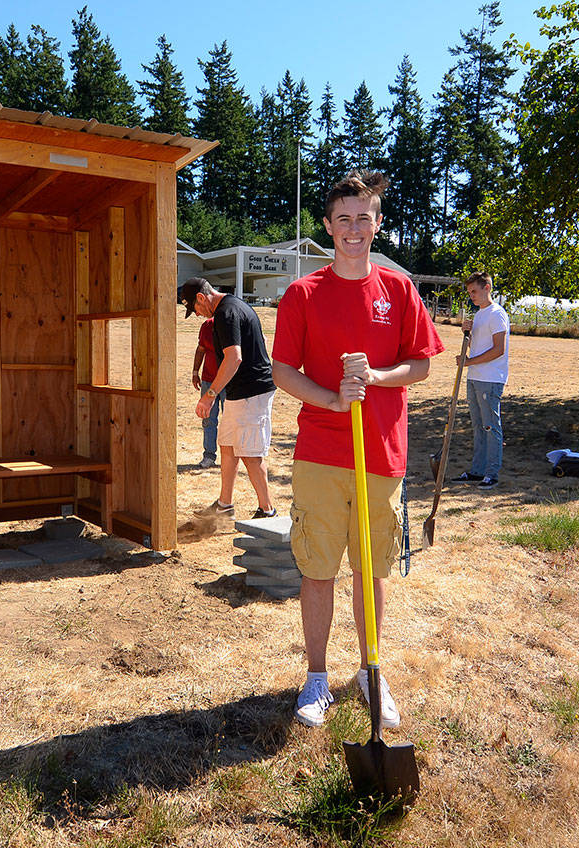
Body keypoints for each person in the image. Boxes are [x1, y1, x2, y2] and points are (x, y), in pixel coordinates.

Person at [271, 171, 444, 729]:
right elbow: (281, 371)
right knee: (318, 569)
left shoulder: (398, 291)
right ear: (327, 225)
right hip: (322, 454)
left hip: (382, 454)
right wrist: (332, 398)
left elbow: (419, 364)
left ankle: (371, 670)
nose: (353, 228)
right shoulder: (304, 294)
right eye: (342, 218)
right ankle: (317, 676)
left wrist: (376, 378)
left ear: (377, 223)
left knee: (373, 572)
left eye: (363, 217)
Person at [179, 277, 278, 520]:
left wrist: (209, 396)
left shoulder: (226, 313)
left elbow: (234, 357)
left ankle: (268, 511)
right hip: (239, 392)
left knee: (250, 453)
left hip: (252, 391)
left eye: (196, 308)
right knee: (228, 445)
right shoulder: (233, 307)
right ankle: (225, 505)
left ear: (202, 298)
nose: (199, 314)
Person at [455, 271, 509, 490]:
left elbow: (498, 350)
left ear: (487, 287)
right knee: (478, 426)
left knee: (490, 426)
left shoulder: (497, 314)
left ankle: (492, 473)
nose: (472, 296)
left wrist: (468, 362)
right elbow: (477, 347)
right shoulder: (479, 315)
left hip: (490, 379)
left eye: (474, 291)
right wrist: (466, 334)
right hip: (475, 377)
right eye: (469, 292)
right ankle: (477, 470)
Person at [192, 316, 223, 468]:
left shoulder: (233, 323)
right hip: (208, 381)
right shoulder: (207, 325)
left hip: (229, 382)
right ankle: (209, 456)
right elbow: (201, 349)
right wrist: (195, 372)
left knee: (232, 420)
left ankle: (233, 458)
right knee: (208, 418)